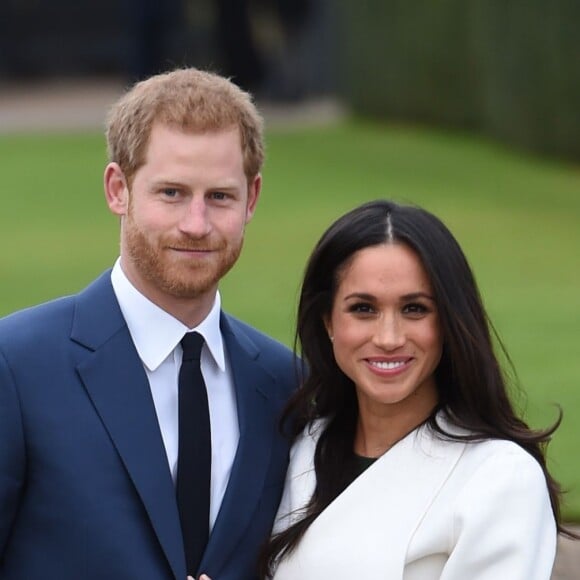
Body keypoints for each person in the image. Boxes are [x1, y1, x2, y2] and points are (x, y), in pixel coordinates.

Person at [0, 68, 299, 580]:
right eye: (172, 193)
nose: (196, 224)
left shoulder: (286, 382)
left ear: (251, 198)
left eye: (220, 197)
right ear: (119, 189)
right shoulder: (16, 363)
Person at [259, 199, 565, 579]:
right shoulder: (302, 447)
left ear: (450, 321)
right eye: (363, 309)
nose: (389, 338)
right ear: (328, 322)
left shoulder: (500, 477)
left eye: (415, 309)